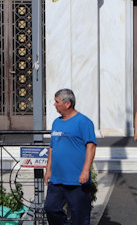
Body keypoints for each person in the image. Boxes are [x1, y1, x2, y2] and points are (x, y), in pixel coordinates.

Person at [44, 88, 96, 225]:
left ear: (67, 104)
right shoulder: (56, 122)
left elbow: (91, 146)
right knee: (50, 208)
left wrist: (86, 170)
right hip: (57, 178)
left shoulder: (84, 122)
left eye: (57, 102)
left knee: (80, 217)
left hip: (76, 179)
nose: (54, 104)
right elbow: (52, 147)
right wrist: (48, 169)